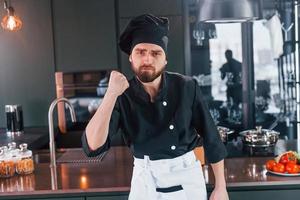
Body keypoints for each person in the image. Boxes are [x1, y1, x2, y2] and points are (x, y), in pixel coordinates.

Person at [82, 14, 228, 200]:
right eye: (140, 52)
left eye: (155, 53)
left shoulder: (186, 86)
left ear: (165, 59)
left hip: (186, 179)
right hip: (145, 181)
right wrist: (111, 94)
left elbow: (211, 137)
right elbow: (93, 147)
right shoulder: (121, 94)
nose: (148, 59)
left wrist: (221, 187)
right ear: (131, 58)